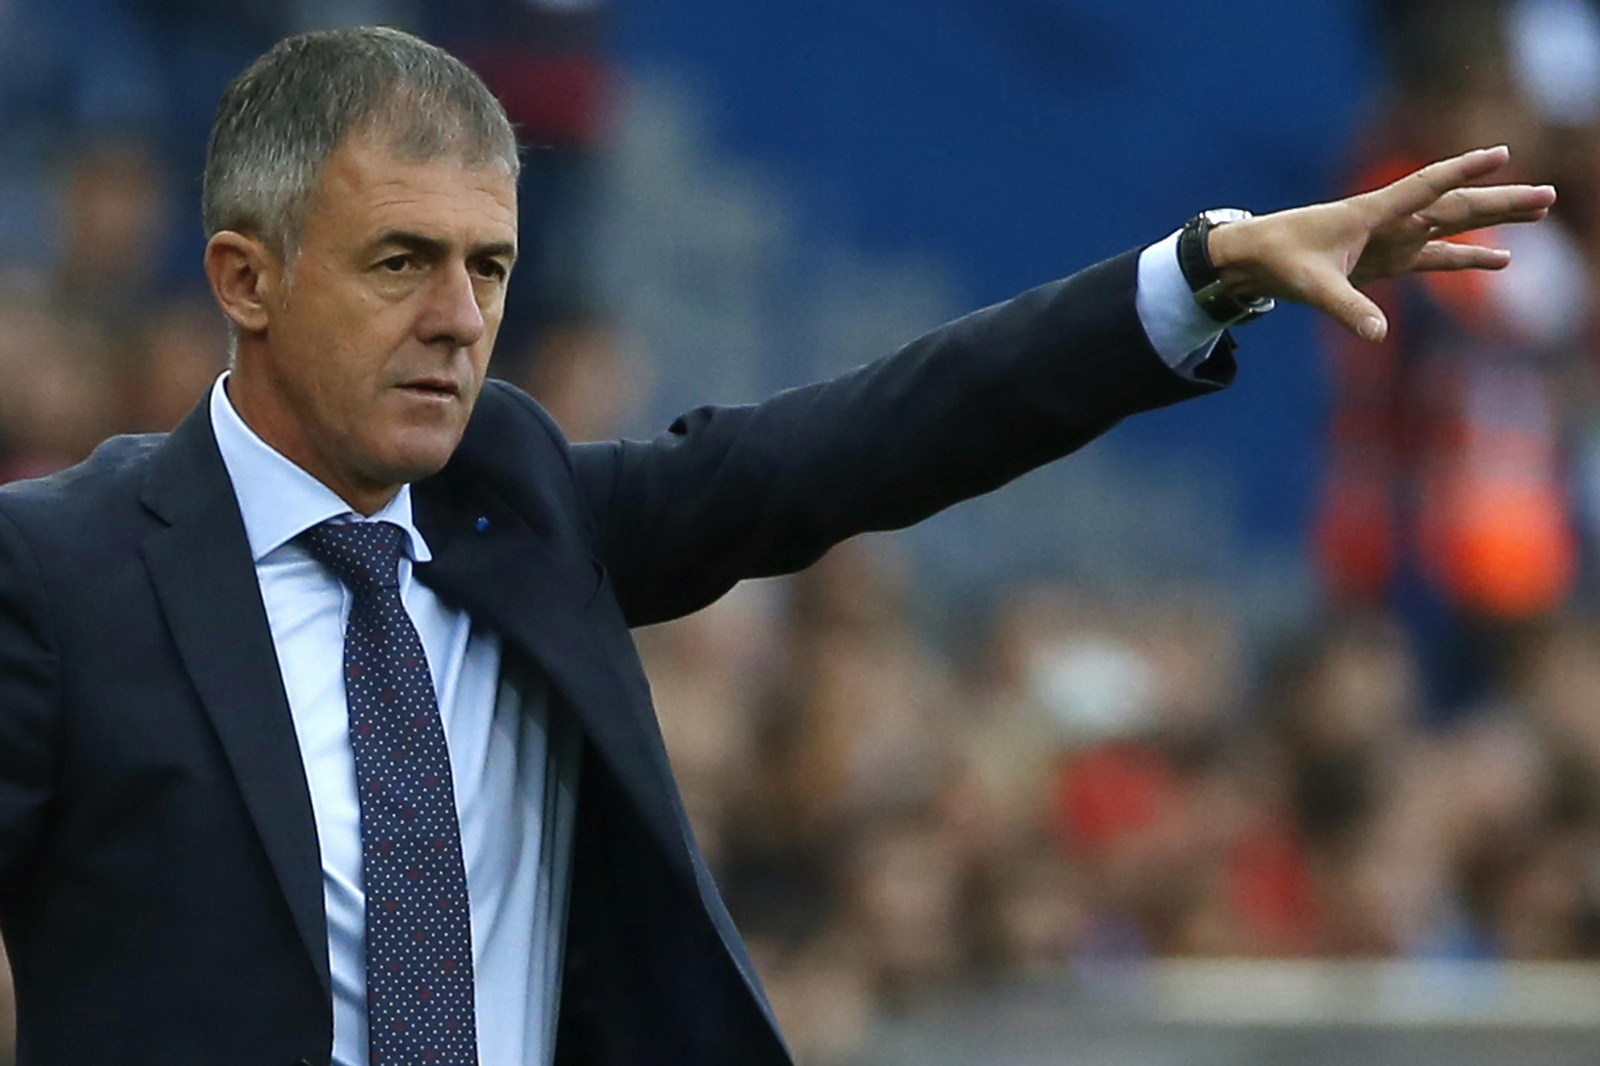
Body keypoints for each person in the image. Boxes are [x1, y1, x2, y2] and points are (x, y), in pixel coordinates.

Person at [0, 25, 1553, 1066]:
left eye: (489, 266)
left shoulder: (527, 503)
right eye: (400, 260)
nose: (460, 320)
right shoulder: (58, 576)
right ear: (242, 278)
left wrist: (1203, 274)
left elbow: (870, 436)